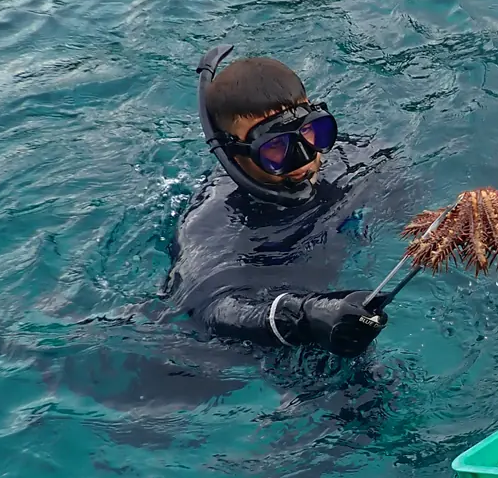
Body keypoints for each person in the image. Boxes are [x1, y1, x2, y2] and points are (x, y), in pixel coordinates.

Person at [159, 44, 400, 358]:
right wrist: (301, 318)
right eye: (275, 149)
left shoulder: (358, 160)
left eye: (313, 133)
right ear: (233, 155)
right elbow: (210, 309)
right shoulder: (211, 222)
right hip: (268, 319)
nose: (304, 160)